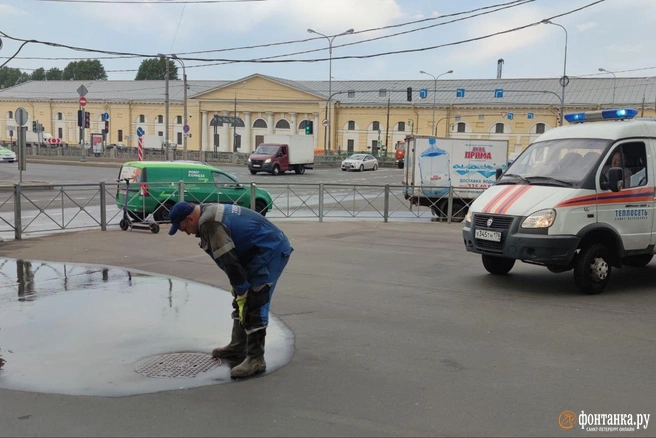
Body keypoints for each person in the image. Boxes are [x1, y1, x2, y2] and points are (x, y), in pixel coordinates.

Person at [168, 201, 293, 378]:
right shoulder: (207, 211)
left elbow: (228, 258)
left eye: (184, 228)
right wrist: (239, 287)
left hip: (270, 251)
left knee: (255, 300)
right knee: (241, 298)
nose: (187, 233)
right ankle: (238, 346)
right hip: (257, 251)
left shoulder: (209, 223)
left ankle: (256, 359)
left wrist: (241, 287)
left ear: (190, 218)